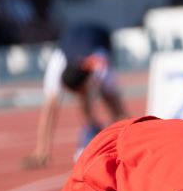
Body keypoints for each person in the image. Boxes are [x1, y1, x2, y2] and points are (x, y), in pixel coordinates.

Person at [23, 22, 127, 169]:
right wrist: (42, 150)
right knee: (82, 100)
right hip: (70, 38)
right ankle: (92, 127)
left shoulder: (102, 68)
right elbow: (49, 110)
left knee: (108, 98)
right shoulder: (57, 65)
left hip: (100, 36)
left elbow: (119, 110)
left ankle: (118, 138)